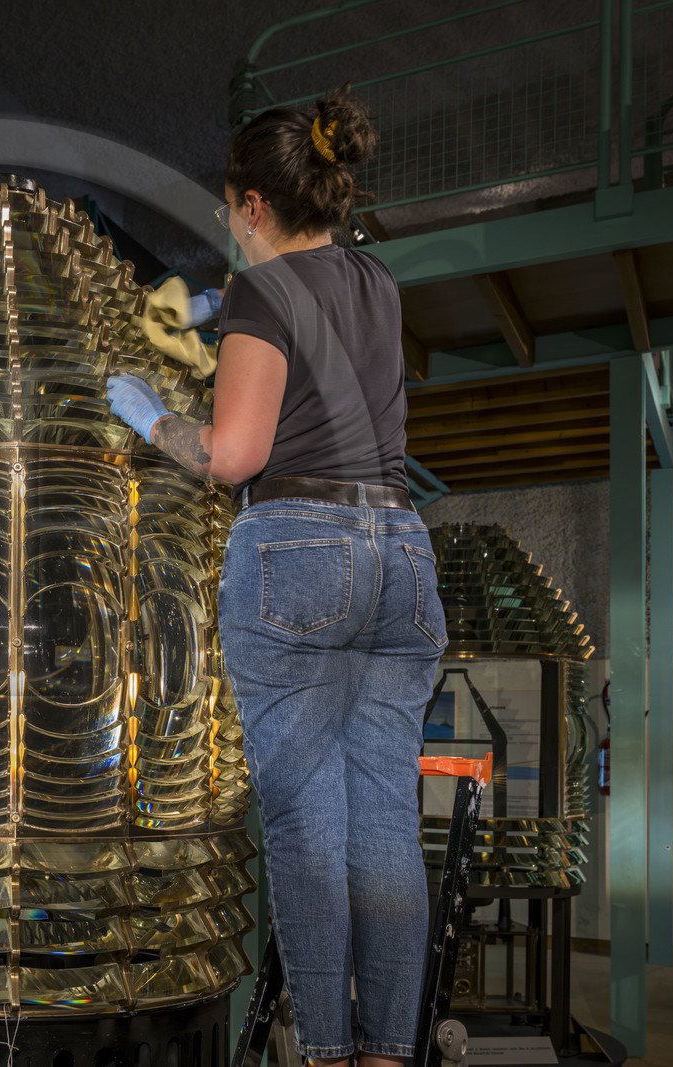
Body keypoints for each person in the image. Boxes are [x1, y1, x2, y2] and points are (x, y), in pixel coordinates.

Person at [106, 88, 447, 1067]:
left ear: (252, 204)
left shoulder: (264, 291)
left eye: (229, 212)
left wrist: (146, 415)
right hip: (397, 552)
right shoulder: (377, 284)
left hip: (298, 549)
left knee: (303, 823)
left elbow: (233, 454)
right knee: (383, 819)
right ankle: (388, 1053)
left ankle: (327, 1054)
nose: (230, 229)